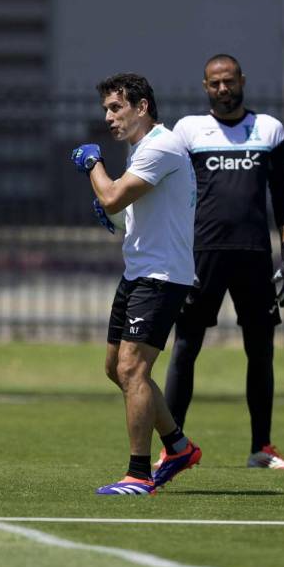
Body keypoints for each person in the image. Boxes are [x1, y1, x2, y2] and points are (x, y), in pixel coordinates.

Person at [164, 53, 284, 470]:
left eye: (229, 81)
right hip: (201, 256)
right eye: (215, 83)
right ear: (205, 87)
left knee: (261, 352)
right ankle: (173, 449)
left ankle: (262, 448)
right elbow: (172, 194)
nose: (224, 89)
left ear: (242, 79)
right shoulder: (188, 131)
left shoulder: (269, 129)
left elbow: (283, 196)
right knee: (186, 347)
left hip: (256, 257)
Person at [71, 72, 201, 496]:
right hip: (138, 273)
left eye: (115, 108)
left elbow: (112, 195)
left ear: (142, 107)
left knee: (133, 369)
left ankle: (139, 474)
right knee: (116, 369)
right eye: (105, 110)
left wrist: (93, 164)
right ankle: (179, 447)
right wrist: (115, 214)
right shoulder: (145, 149)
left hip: (161, 277)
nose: (108, 118)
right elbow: (129, 207)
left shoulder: (161, 144)